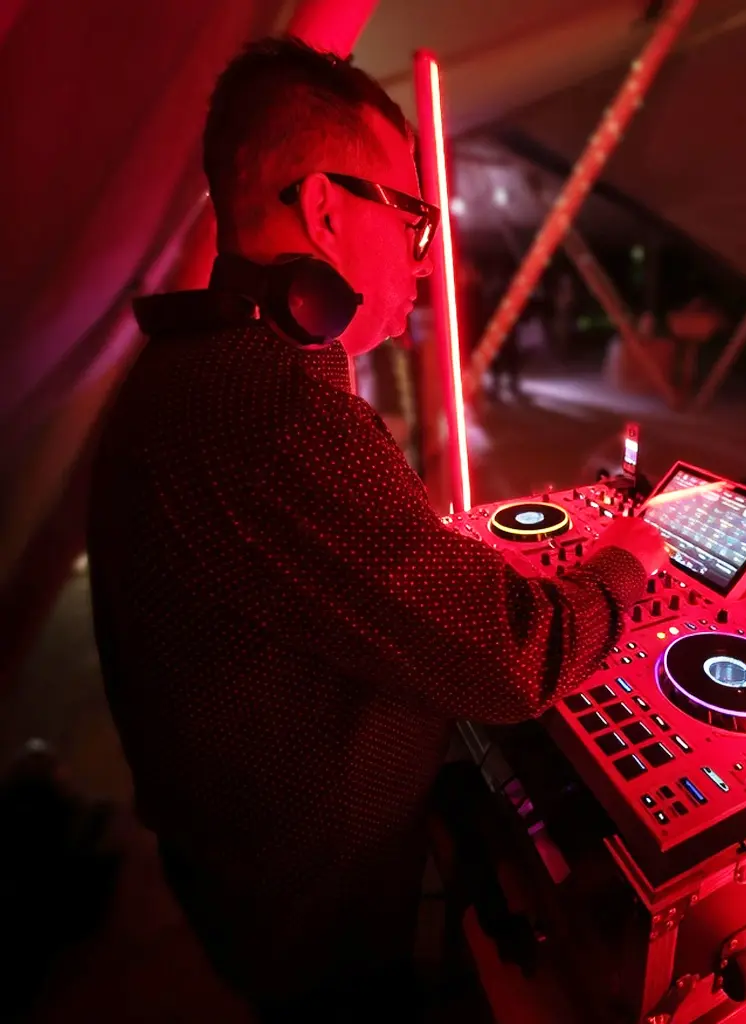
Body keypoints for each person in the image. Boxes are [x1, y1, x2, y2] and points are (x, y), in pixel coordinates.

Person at [86, 36, 665, 1022]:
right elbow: (515, 657)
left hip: (237, 872)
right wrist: (625, 560)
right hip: (314, 920)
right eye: (412, 220)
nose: (421, 264)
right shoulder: (276, 411)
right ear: (323, 211)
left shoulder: (196, 365)